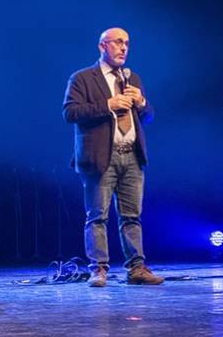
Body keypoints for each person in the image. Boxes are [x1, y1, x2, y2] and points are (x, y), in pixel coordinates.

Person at [62, 27, 163, 287]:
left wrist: (141, 102)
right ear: (102, 46)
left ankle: (137, 268)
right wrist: (108, 105)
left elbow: (149, 117)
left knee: (132, 216)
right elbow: (70, 113)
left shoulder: (133, 78)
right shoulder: (82, 78)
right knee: (97, 216)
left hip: (132, 157)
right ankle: (99, 269)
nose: (124, 48)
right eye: (118, 42)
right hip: (99, 158)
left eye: (127, 43)